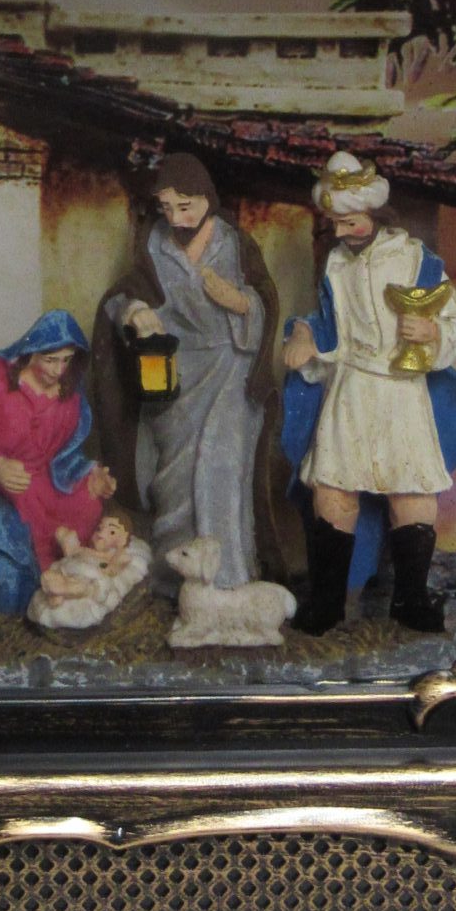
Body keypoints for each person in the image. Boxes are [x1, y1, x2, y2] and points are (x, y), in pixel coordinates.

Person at [280, 153, 456, 635]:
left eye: (350, 222)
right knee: (332, 490)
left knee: (411, 489)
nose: (342, 232)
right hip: (351, 388)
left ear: (375, 214)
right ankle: (328, 603)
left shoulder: (416, 260)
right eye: (335, 223)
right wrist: (305, 336)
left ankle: (410, 601)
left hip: (401, 391)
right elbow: (331, 329)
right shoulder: (335, 265)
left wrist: (432, 332)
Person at [93, 154, 281, 593]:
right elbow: (122, 296)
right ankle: (173, 577)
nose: (177, 219)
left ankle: (228, 577)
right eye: (167, 208)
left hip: (231, 367)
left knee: (222, 465)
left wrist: (240, 302)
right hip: (174, 370)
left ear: (207, 198)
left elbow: (266, 299)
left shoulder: (235, 244)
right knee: (174, 475)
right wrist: (135, 311)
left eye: (186, 207)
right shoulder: (154, 243)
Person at [0, 311, 117, 615]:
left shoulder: (69, 395)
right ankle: (23, 577)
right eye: (50, 360)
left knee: (88, 502)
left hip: (46, 481)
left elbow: (66, 455)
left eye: (66, 360)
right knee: (16, 573)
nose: (58, 369)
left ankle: (71, 572)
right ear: (30, 352)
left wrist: (91, 473)